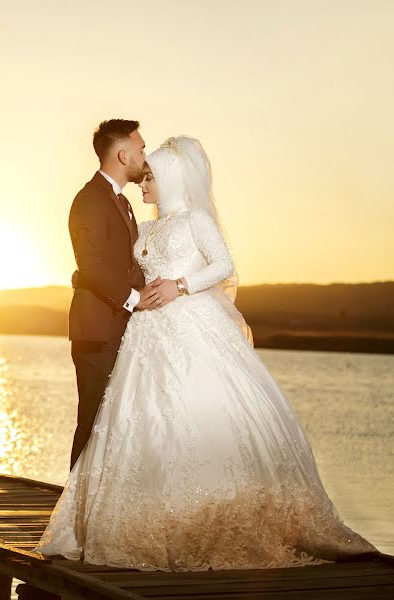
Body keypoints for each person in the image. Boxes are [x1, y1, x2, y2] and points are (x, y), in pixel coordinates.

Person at [35, 135, 379, 571]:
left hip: (189, 324)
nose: (144, 181)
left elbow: (223, 265)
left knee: (193, 414)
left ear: (173, 180)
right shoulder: (145, 226)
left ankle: (208, 516)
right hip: (144, 334)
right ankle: (143, 518)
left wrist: (180, 286)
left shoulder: (195, 220)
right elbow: (112, 267)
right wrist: (87, 278)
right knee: (141, 423)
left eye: (152, 177)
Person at [67, 119, 162, 470]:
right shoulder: (90, 199)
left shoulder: (121, 202)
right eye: (140, 149)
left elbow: (124, 263)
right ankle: (70, 516)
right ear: (123, 155)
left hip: (120, 330)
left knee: (112, 425)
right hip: (97, 332)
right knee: (92, 423)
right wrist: (136, 298)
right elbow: (91, 264)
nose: (143, 155)